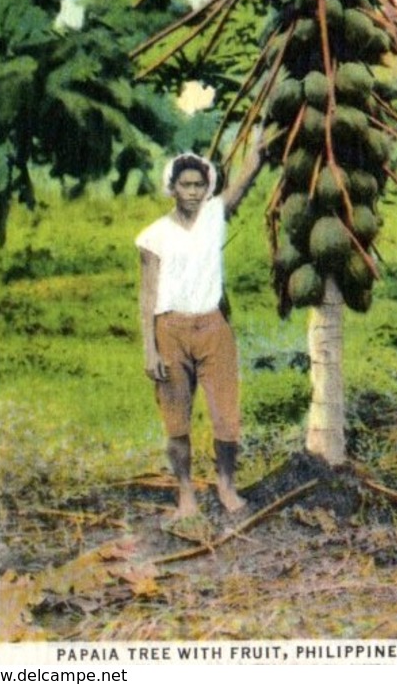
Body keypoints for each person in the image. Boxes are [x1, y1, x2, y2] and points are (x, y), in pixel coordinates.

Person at [136, 146, 262, 517]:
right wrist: (150, 349)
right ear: (172, 188)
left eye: (198, 185)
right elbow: (146, 294)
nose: (192, 191)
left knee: (226, 415)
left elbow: (245, 179)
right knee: (176, 419)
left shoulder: (214, 217)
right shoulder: (153, 236)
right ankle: (186, 494)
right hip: (170, 329)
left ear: (207, 189)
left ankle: (226, 486)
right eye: (185, 185)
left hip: (213, 327)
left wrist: (257, 147)